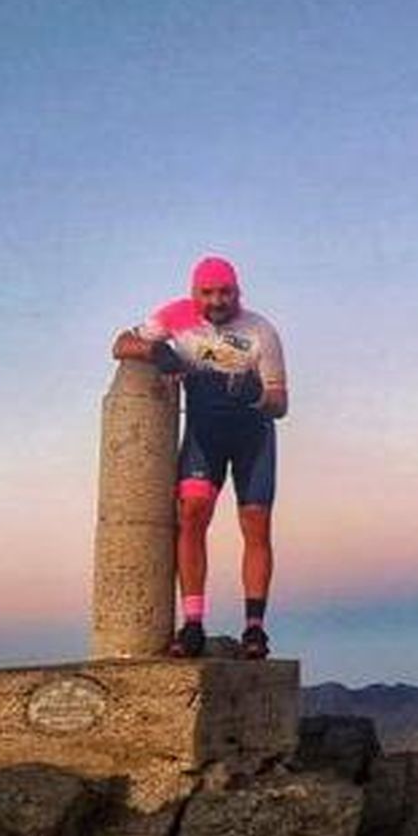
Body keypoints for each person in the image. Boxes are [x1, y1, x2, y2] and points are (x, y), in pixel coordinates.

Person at [111, 255, 288, 659]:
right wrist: (155, 351)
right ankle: (192, 623)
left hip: (253, 435)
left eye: (225, 292)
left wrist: (259, 396)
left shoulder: (261, 330)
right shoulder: (176, 315)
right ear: (194, 293)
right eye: (207, 293)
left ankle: (254, 628)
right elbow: (119, 345)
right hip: (204, 434)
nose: (217, 301)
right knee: (191, 514)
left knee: (256, 525)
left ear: (237, 292)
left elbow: (281, 403)